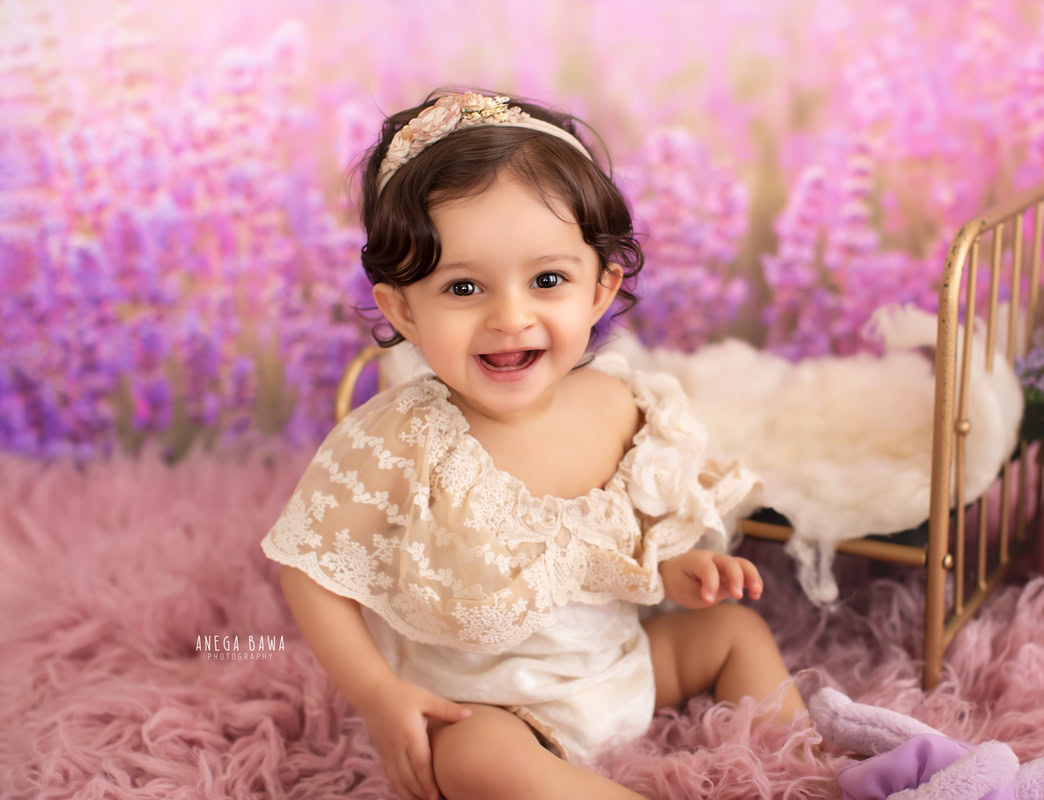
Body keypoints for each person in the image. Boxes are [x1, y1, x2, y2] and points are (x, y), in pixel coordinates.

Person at [262, 87, 807, 800]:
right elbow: (309, 571)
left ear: (600, 290)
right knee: (470, 760)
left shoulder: (620, 405)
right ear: (402, 307)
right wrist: (376, 692)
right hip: (494, 705)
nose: (510, 318)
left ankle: (805, 766)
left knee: (736, 633)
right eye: (463, 289)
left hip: (624, 663)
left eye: (548, 279)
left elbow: (630, 542)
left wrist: (679, 569)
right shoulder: (401, 439)